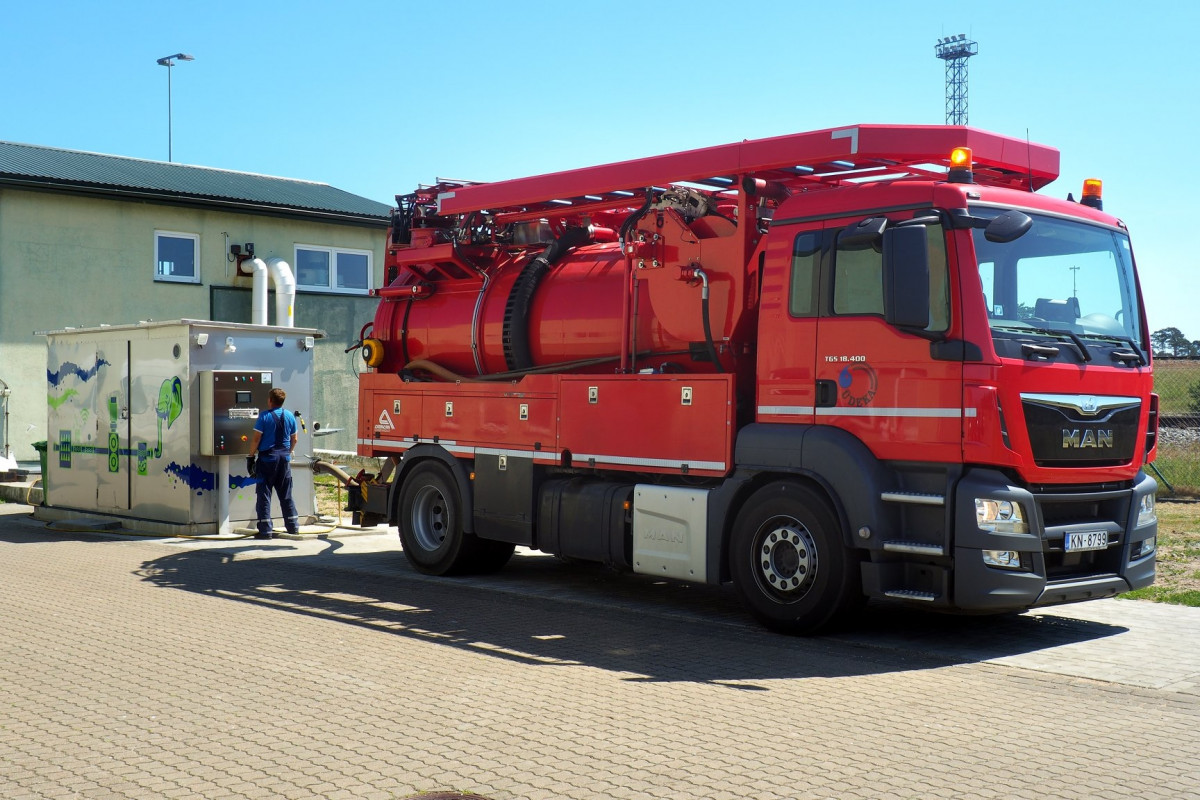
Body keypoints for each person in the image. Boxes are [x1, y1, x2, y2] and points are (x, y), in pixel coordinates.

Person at [248, 387, 299, 539]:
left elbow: (256, 439)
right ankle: (293, 526)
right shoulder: (289, 416)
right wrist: (288, 452)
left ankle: (265, 531)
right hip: (284, 459)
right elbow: (295, 439)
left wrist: (250, 456)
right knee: (286, 494)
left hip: (267, 459)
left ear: (270, 400)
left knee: (264, 494)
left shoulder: (264, 417)